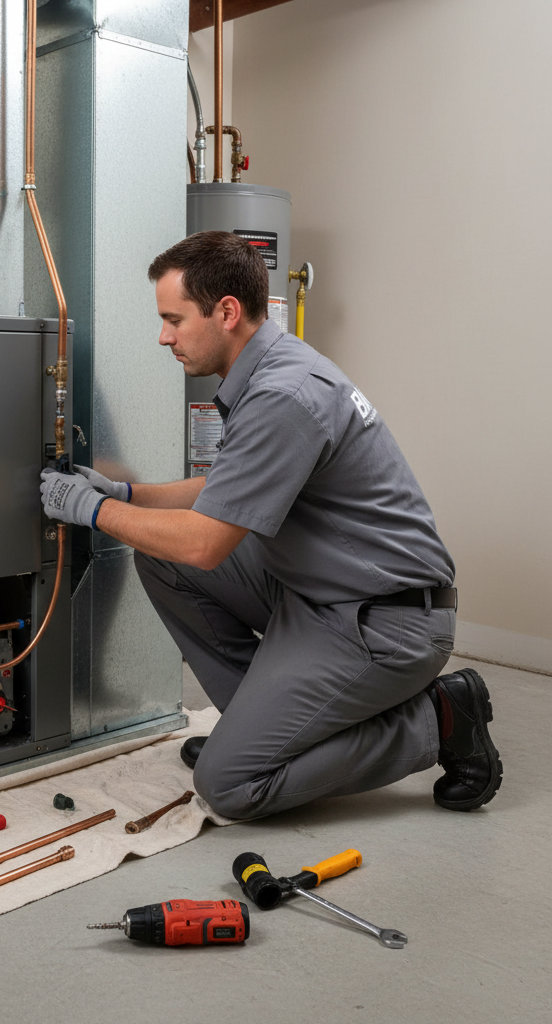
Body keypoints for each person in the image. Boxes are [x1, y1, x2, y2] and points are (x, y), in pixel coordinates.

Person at [39, 230, 502, 819]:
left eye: (174, 319)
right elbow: (225, 491)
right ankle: (264, 732)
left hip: (384, 623)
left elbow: (207, 544)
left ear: (226, 312)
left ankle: (437, 721)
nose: (164, 336)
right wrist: (127, 493)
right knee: (160, 555)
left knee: (229, 787)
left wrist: (91, 509)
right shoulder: (271, 370)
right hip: (321, 591)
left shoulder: (285, 393)